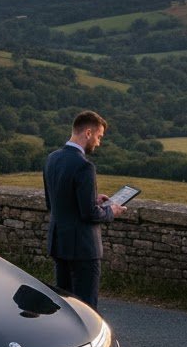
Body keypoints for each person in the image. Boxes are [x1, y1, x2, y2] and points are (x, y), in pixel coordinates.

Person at [43, 110, 126, 308]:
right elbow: (88, 214)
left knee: (64, 306)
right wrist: (110, 211)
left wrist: (92, 199)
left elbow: (53, 202)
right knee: (87, 308)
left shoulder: (52, 158)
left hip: (59, 244)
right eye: (99, 136)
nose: (99, 142)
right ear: (88, 133)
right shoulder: (84, 166)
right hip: (83, 249)